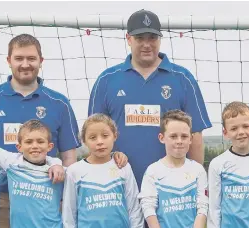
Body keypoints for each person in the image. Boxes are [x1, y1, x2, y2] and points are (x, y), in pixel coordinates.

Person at [0, 34, 81, 228]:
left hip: (46, 200)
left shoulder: (59, 103)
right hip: (1, 200)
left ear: (41, 60)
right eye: (19, 58)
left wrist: (63, 195)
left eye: (31, 58)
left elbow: (69, 155)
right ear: (8, 60)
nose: (25, 64)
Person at [89, 8, 211, 186]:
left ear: (160, 39)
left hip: (172, 188)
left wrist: (196, 183)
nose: (147, 44)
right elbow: (94, 135)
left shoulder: (182, 78)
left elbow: (196, 135)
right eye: (140, 38)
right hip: (117, 185)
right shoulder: (107, 80)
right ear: (129, 39)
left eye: (152, 38)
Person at [140, 110, 208, 228]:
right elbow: (149, 211)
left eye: (184, 136)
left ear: (191, 139)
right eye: (173, 136)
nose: (179, 141)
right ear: (162, 138)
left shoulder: (197, 170)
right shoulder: (153, 171)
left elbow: (202, 210)